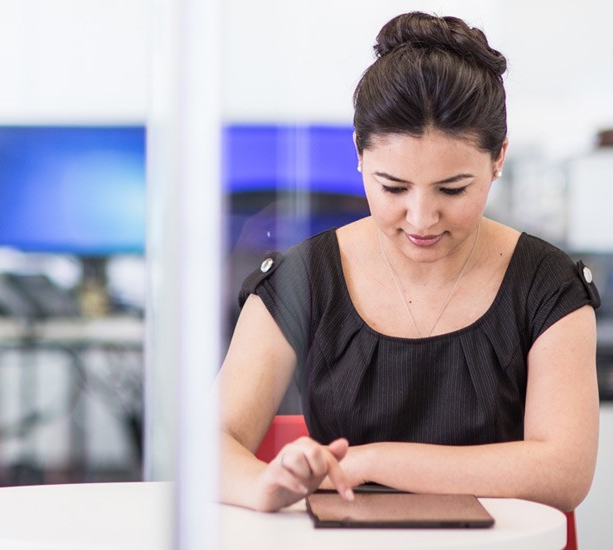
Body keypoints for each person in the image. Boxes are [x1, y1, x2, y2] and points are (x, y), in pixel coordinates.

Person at [216, 11, 601, 514]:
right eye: (393, 187)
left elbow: (564, 472)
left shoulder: (546, 285)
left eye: (453, 189)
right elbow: (209, 443)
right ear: (358, 153)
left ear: (498, 158)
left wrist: (369, 462)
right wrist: (263, 485)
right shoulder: (304, 278)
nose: (421, 218)